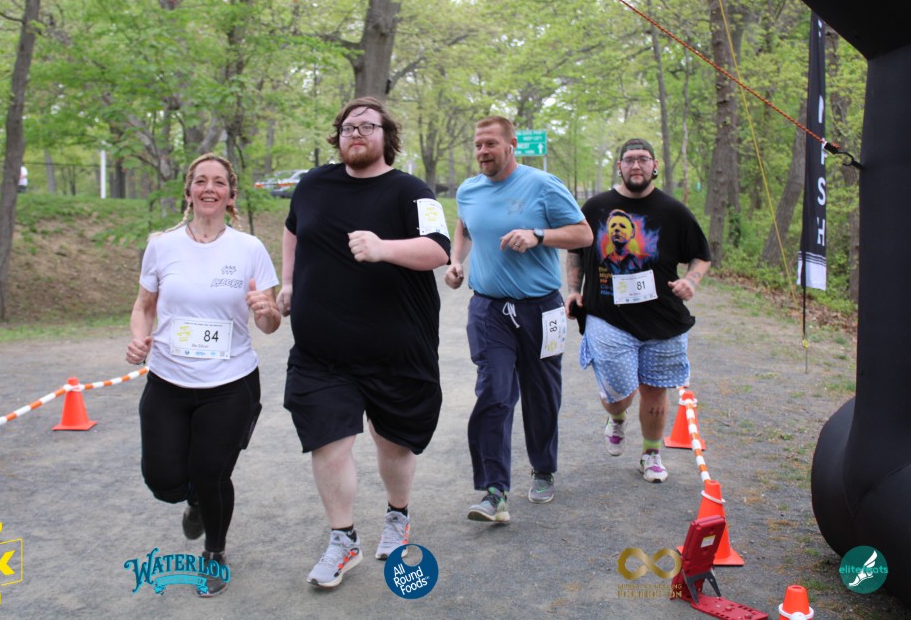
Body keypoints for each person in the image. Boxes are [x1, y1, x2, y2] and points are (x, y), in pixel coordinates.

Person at [277, 97, 450, 588]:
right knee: (328, 439)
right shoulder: (313, 184)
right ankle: (343, 539)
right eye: (349, 127)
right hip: (322, 352)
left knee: (392, 443)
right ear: (338, 136)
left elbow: (438, 249)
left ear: (385, 136)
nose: (357, 133)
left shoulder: (411, 191)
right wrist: (287, 282)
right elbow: (292, 231)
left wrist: (382, 248)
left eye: (368, 126)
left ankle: (398, 514)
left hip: (396, 348)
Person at [126, 152, 281, 597]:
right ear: (188, 191)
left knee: (211, 471)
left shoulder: (249, 249)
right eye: (200, 181)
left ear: (231, 194)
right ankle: (192, 499)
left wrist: (266, 310)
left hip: (230, 384)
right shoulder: (162, 245)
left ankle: (214, 553)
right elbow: (144, 306)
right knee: (163, 481)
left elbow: (270, 324)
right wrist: (138, 339)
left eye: (218, 182)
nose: (209, 188)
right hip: (168, 380)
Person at [444, 116, 592, 522]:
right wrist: (456, 262)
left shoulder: (542, 185)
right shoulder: (469, 190)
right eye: (477, 145)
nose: (482, 152)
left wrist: (539, 235)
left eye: (490, 144)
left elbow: (583, 234)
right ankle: (494, 491)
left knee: (541, 393)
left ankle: (543, 468)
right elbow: (465, 229)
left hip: (541, 308)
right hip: (488, 309)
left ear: (511, 145)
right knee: (494, 391)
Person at [565, 138, 711, 483]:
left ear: (654, 165)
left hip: (662, 318)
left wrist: (691, 281)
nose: (636, 165)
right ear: (619, 167)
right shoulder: (595, 207)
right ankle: (616, 417)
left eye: (643, 159)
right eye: (629, 159)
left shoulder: (673, 211)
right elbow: (575, 250)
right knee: (619, 395)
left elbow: (701, 255)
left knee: (655, 389)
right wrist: (573, 290)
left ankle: (651, 454)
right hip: (608, 316)